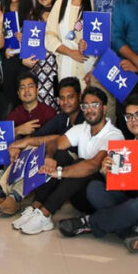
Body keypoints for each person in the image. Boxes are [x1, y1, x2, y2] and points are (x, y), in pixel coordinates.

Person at [58, 95, 138, 252]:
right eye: (129, 116)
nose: (133, 120)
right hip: (130, 205)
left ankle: (90, 222)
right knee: (94, 188)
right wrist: (107, 173)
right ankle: (131, 231)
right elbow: (121, 188)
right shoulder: (125, 148)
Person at [11, 86, 122, 235]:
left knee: (81, 162)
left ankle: (45, 213)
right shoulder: (82, 128)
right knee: (61, 155)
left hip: (97, 195)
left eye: (94, 105)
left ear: (104, 108)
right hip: (77, 195)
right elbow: (55, 143)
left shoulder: (114, 135)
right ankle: (36, 207)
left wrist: (60, 172)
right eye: (85, 106)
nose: (89, 110)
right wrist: (50, 158)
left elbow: (94, 165)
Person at [0, 76, 84, 215]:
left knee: (39, 150)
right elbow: (37, 136)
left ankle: (14, 196)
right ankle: (0, 192)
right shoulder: (61, 117)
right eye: (62, 98)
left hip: (74, 162)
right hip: (51, 156)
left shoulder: (81, 117)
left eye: (70, 97)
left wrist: (27, 142)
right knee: (29, 147)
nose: (65, 102)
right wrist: (18, 144)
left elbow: (60, 140)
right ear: (18, 93)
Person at [46, 0, 93, 85]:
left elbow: (102, 39)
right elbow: (49, 37)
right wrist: (70, 52)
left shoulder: (93, 4)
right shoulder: (59, 4)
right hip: (65, 63)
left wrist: (88, 45)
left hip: (89, 68)